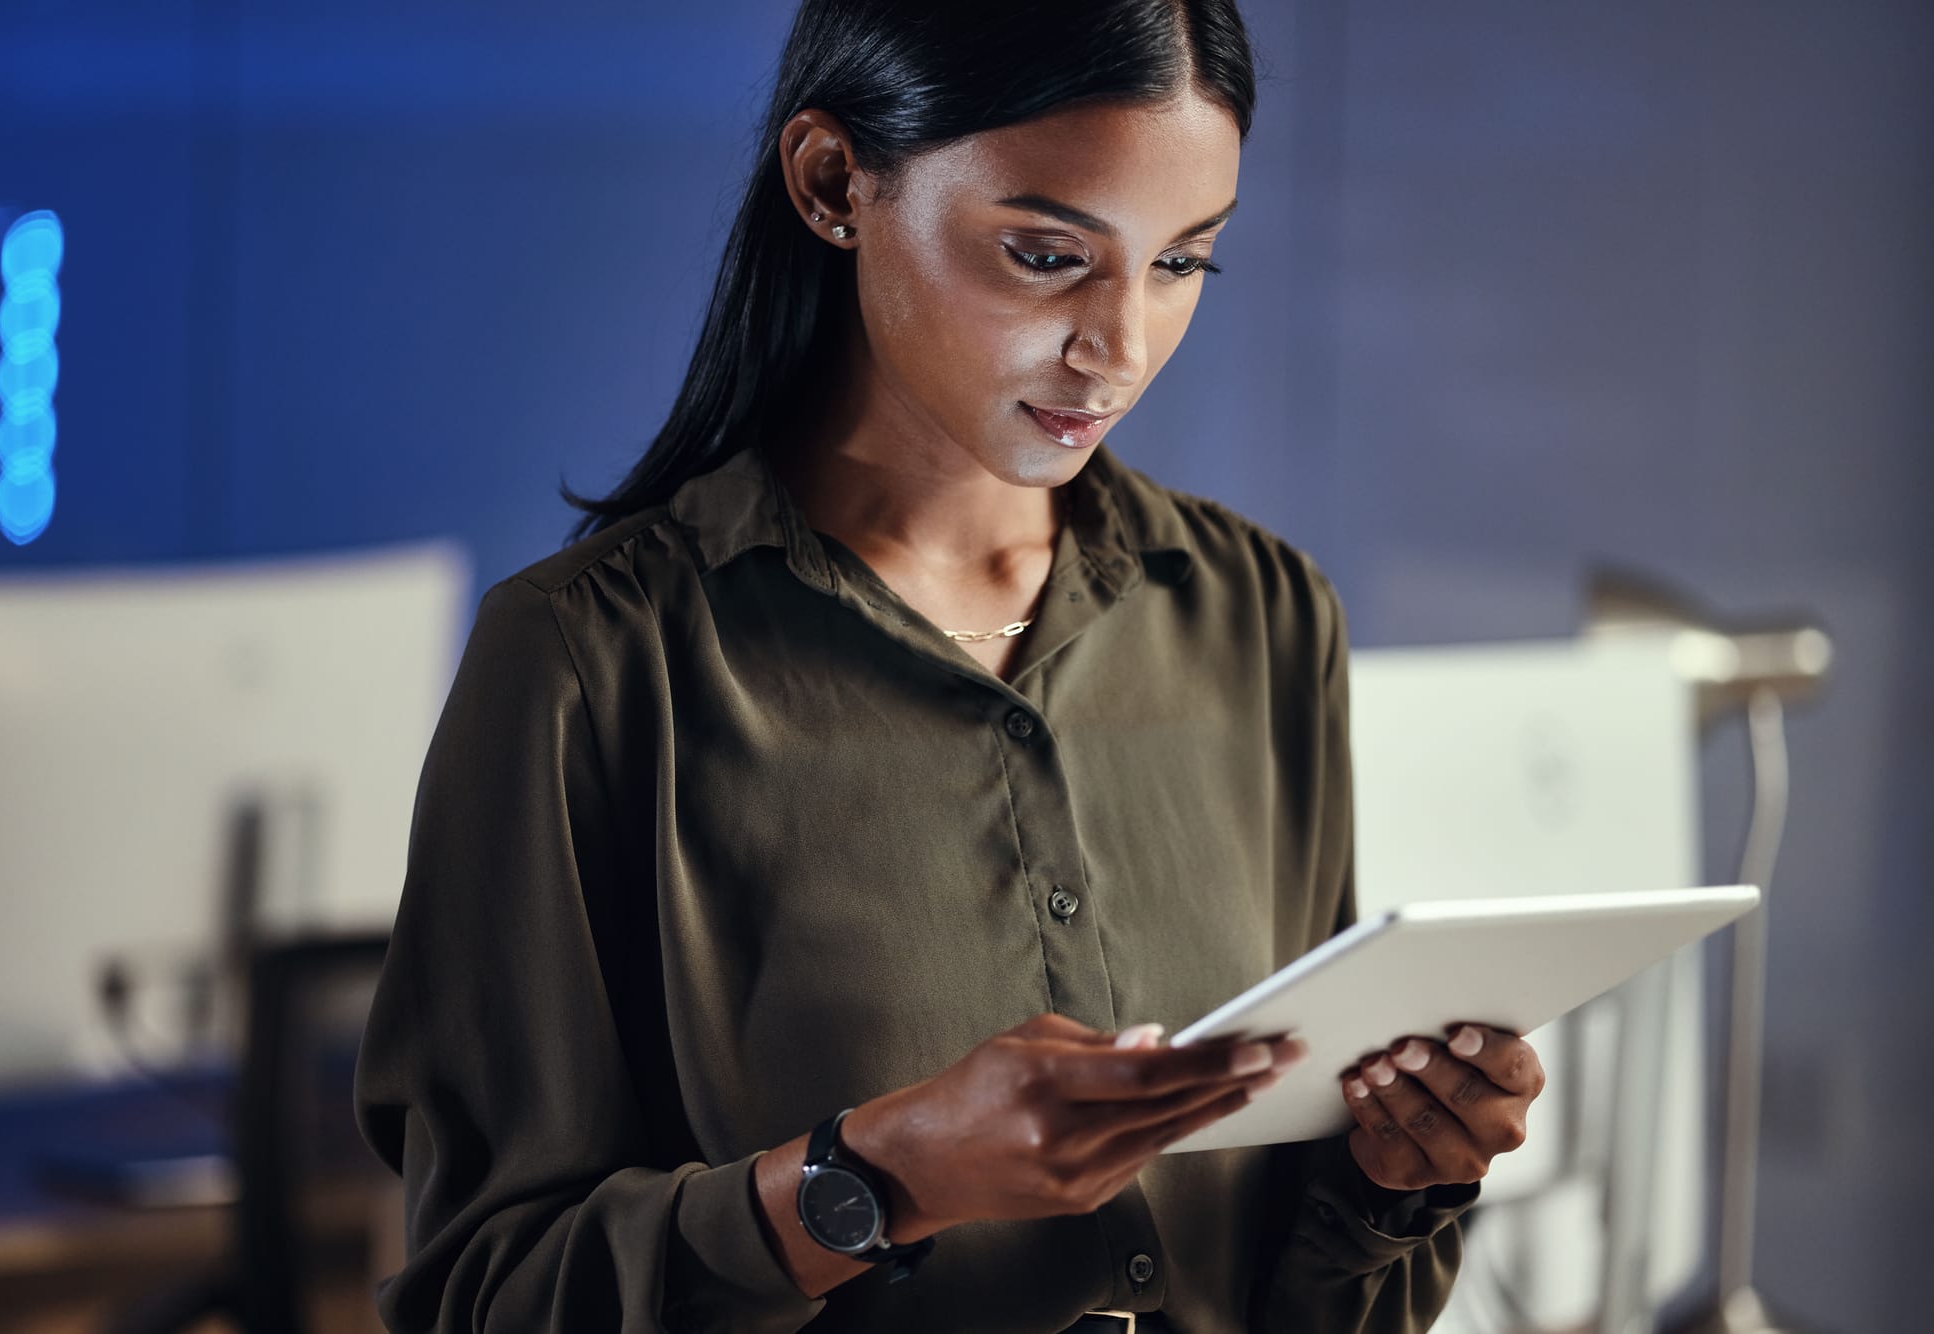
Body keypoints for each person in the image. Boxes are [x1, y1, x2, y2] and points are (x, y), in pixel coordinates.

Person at [351, 1, 1546, 1330]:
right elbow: (482, 1295)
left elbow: (1301, 1303)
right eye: (1046, 255)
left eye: (1182, 263)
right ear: (832, 183)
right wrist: (880, 1174)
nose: (1122, 347)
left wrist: (1388, 1178)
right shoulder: (588, 664)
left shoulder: (1258, 615)